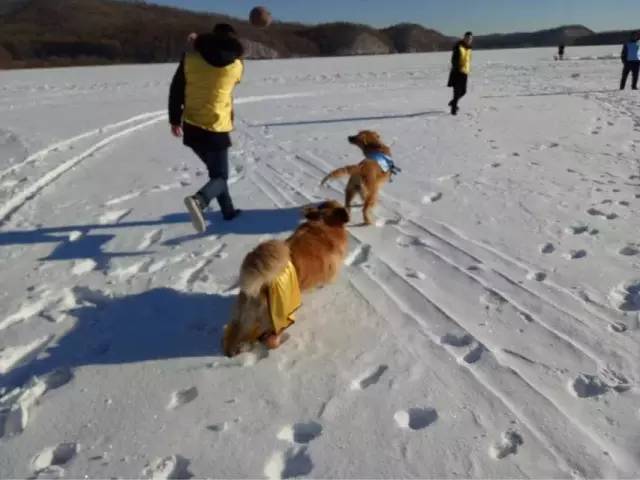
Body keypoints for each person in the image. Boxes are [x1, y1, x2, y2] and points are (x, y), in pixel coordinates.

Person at [169, 23, 244, 233]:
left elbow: (176, 90)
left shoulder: (189, 59)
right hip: (217, 127)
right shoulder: (237, 65)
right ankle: (199, 200)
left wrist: (175, 119)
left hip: (192, 125)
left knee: (216, 174)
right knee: (220, 177)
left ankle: (228, 211)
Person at [448, 32, 473, 116]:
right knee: (457, 92)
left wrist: (467, 69)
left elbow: (468, 60)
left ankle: (453, 103)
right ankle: (453, 111)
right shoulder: (459, 46)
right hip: (457, 72)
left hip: (465, 72)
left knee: (463, 91)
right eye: (467, 38)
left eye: (470, 38)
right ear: (464, 38)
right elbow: (453, 60)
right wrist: (458, 68)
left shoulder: (469, 48)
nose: (469, 40)